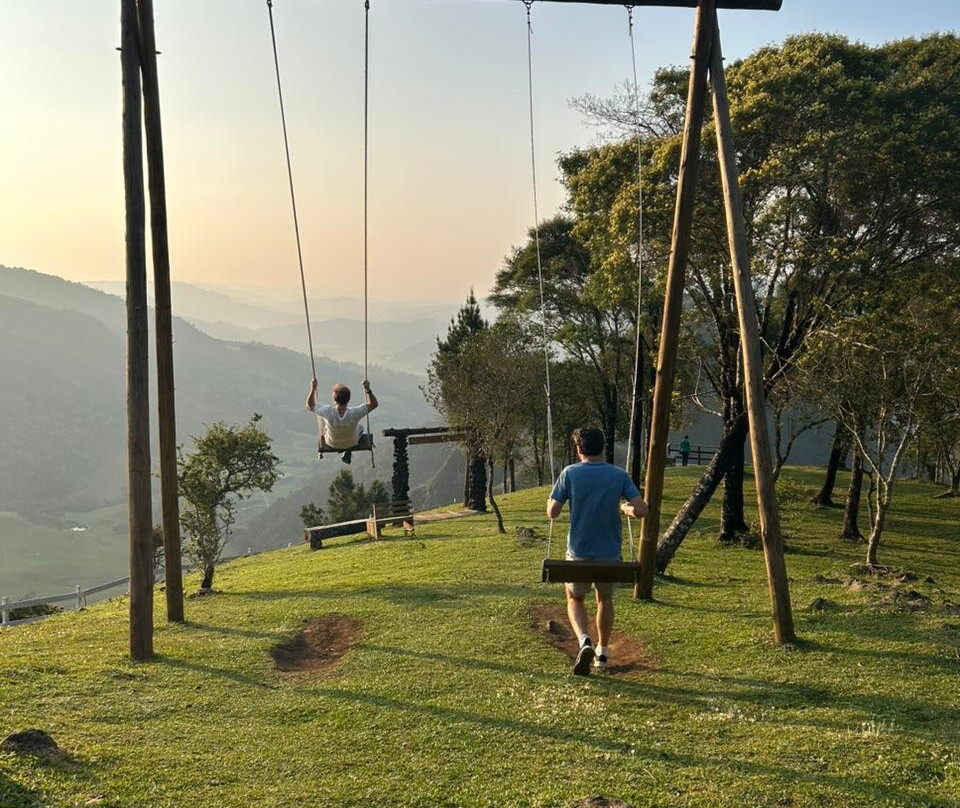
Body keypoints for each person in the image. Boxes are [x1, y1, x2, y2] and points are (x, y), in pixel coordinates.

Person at [547, 427, 648, 676]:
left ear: (579, 449)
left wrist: (551, 502)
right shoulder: (618, 475)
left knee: (575, 598)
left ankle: (585, 641)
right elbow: (642, 510)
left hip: (578, 553)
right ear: (603, 447)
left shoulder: (570, 473)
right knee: (604, 599)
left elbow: (553, 512)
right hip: (610, 554)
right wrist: (626, 510)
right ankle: (602, 653)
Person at [306, 379, 378, 464]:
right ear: (349, 399)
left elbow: (310, 405)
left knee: (326, 427)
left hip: (331, 443)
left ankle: (344, 447)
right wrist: (368, 390)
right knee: (360, 427)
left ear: (334, 399)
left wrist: (313, 388)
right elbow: (374, 405)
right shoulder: (355, 413)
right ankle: (347, 451)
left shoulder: (327, 412)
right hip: (351, 443)